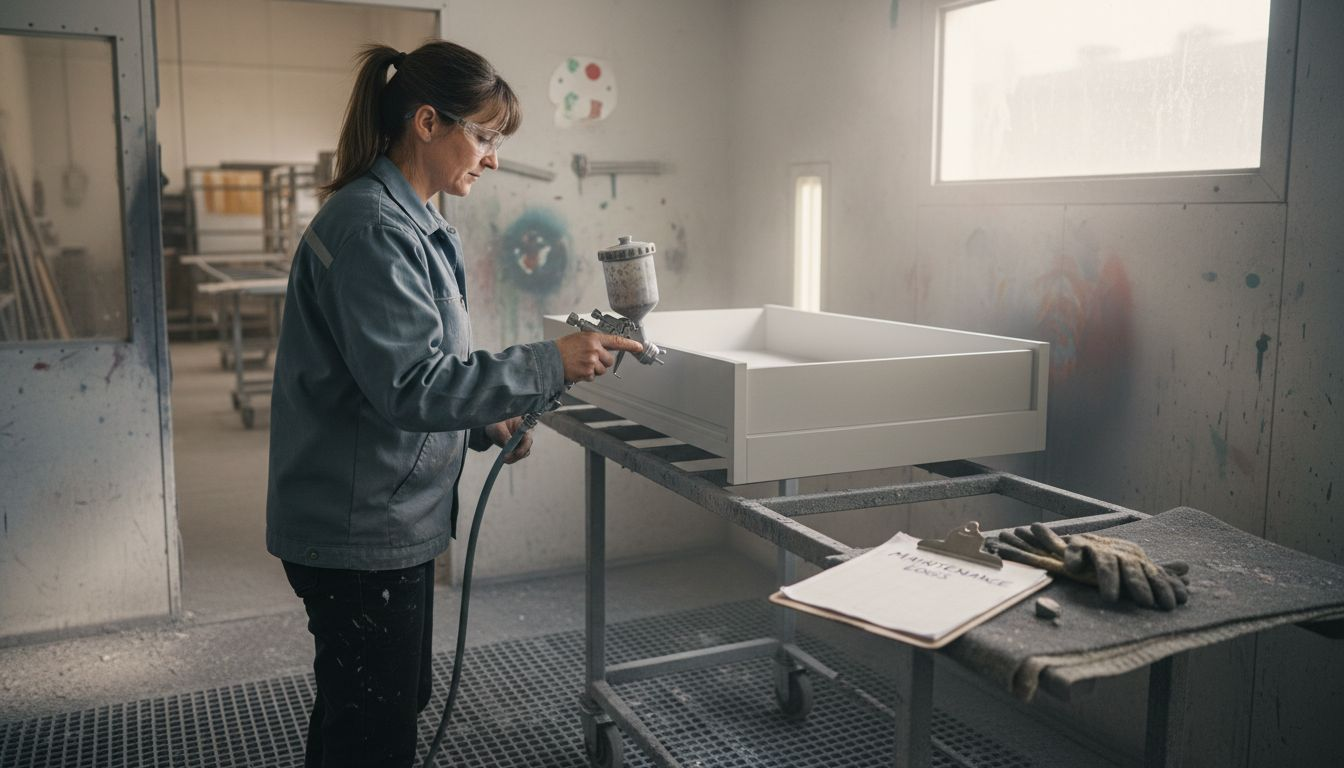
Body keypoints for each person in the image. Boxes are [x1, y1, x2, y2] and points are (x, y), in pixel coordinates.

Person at [265, 41, 641, 767]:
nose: (493, 158)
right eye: (486, 136)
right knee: (370, 732)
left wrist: (481, 420)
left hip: (381, 517)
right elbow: (409, 386)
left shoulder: (414, 223)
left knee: (373, 710)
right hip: (359, 531)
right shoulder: (376, 228)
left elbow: (400, 370)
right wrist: (546, 363)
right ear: (428, 122)